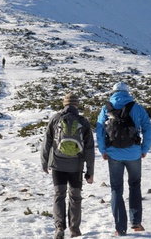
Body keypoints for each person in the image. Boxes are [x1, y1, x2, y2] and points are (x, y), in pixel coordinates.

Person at [96, 82, 151, 236]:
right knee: (134, 185)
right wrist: (144, 149)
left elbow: (100, 129)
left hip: (113, 154)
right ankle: (136, 223)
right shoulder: (137, 108)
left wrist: (103, 150)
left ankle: (120, 229)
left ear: (113, 92)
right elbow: (148, 128)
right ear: (127, 92)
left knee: (116, 189)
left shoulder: (106, 108)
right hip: (134, 153)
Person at [41, 92, 95, 239]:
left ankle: (59, 227)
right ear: (77, 105)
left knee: (59, 195)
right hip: (76, 166)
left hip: (58, 164)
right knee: (75, 197)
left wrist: (45, 162)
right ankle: (74, 230)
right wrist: (90, 171)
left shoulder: (55, 119)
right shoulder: (83, 122)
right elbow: (90, 148)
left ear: (64, 104)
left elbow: (46, 142)